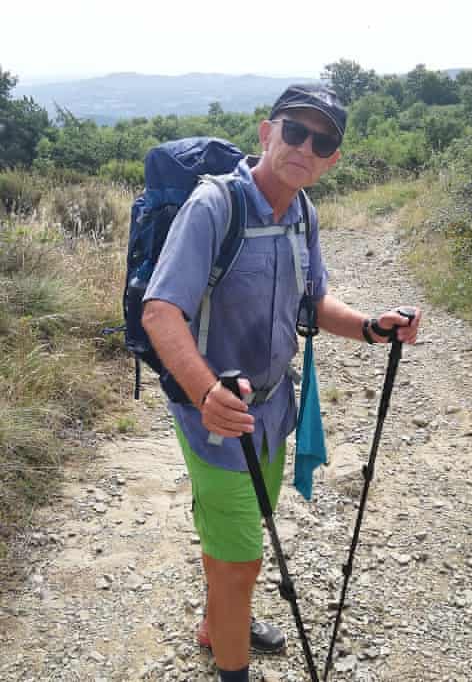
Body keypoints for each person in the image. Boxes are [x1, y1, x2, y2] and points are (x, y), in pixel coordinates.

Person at [142, 84, 421, 682]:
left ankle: (219, 625)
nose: (305, 146)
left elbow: (314, 300)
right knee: (242, 560)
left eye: (322, 141)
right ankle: (232, 665)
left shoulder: (302, 214)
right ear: (267, 134)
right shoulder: (214, 207)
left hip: (273, 413)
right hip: (215, 418)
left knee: (244, 532)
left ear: (331, 161)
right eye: (294, 131)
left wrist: (371, 327)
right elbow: (160, 310)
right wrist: (206, 392)